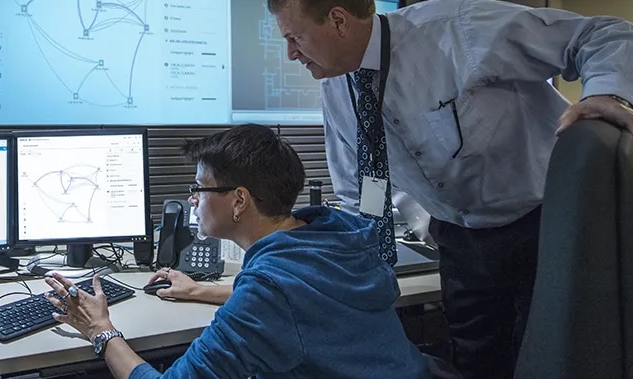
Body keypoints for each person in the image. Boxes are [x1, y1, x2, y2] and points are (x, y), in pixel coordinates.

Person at [264, 0, 633, 379]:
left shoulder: (453, 29)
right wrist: (352, 260)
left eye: (294, 38)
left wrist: (607, 94)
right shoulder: (338, 88)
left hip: (542, 226)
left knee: (549, 359)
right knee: (475, 362)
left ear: (337, 20)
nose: (291, 53)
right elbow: (361, 187)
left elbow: (602, 33)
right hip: (459, 240)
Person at [43, 123, 431, 379]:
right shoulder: (336, 235)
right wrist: (198, 291)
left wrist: (102, 331)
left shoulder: (272, 288)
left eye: (199, 188)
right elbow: (304, 296)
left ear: (239, 201)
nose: (192, 200)